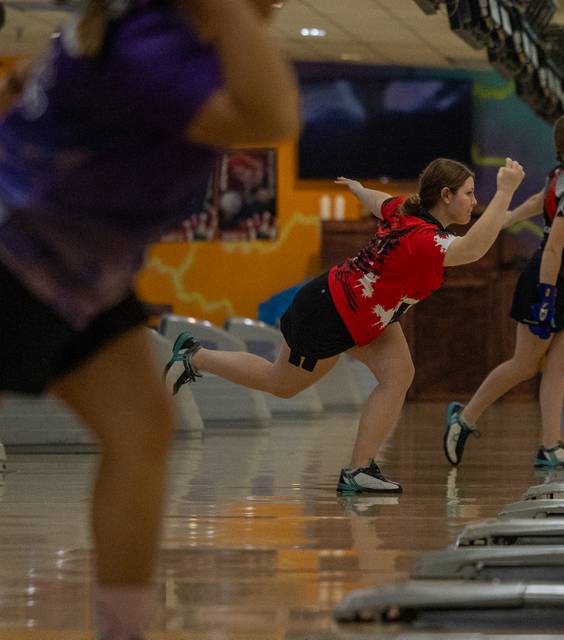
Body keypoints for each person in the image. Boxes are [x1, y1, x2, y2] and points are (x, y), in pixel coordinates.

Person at [0, 2, 299, 639]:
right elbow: (272, 115)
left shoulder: (150, 35)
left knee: (140, 426)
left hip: (76, 274)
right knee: (140, 429)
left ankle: (124, 629)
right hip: (20, 259)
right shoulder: (150, 43)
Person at [164, 157, 534, 493]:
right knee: (281, 384)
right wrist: (505, 190)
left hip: (366, 316)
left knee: (399, 374)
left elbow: (378, 201)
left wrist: (358, 188)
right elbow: (473, 248)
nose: (474, 201)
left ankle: (359, 469)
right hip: (330, 311)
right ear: (446, 195)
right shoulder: (424, 239)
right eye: (469, 194)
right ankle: (194, 357)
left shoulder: (407, 213)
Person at [443, 113, 564, 469]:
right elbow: (552, 249)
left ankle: (550, 446)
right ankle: (464, 419)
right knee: (523, 365)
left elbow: (531, 206)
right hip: (548, 282)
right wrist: (545, 300)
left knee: (558, 367)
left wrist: (498, 221)